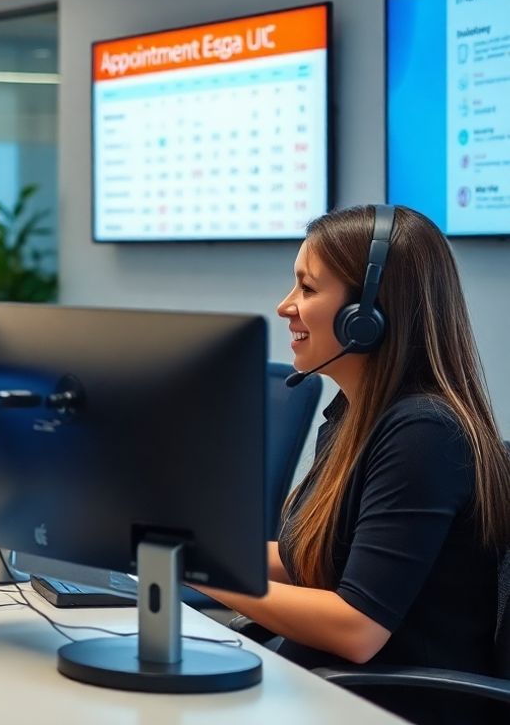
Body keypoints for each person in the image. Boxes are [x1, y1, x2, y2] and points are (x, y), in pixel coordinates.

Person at [197, 204, 510, 725]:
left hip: (388, 705)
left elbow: (357, 628)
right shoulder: (358, 417)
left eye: (308, 289)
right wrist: (189, 544)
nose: (285, 307)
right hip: (326, 691)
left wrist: (195, 567)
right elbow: (314, 557)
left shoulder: (424, 434)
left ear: (366, 317)